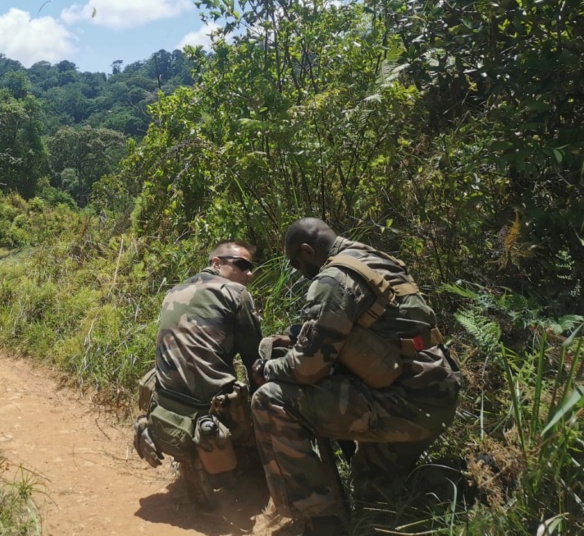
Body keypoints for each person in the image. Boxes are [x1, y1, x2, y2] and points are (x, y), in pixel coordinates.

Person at [250, 218, 461, 536]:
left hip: (405, 406)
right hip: (436, 396)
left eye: (296, 262)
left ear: (307, 251)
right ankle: (459, 485)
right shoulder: (375, 259)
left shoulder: (334, 279)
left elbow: (308, 368)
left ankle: (321, 521)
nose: (298, 270)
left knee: (270, 400)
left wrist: (268, 371)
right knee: (371, 494)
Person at [134, 240, 264, 496]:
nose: (249, 273)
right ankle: (246, 474)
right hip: (211, 407)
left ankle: (151, 426)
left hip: (165, 399)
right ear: (216, 263)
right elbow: (254, 359)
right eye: (241, 265)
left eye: (251, 267)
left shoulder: (174, 291)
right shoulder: (236, 293)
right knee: (266, 399)